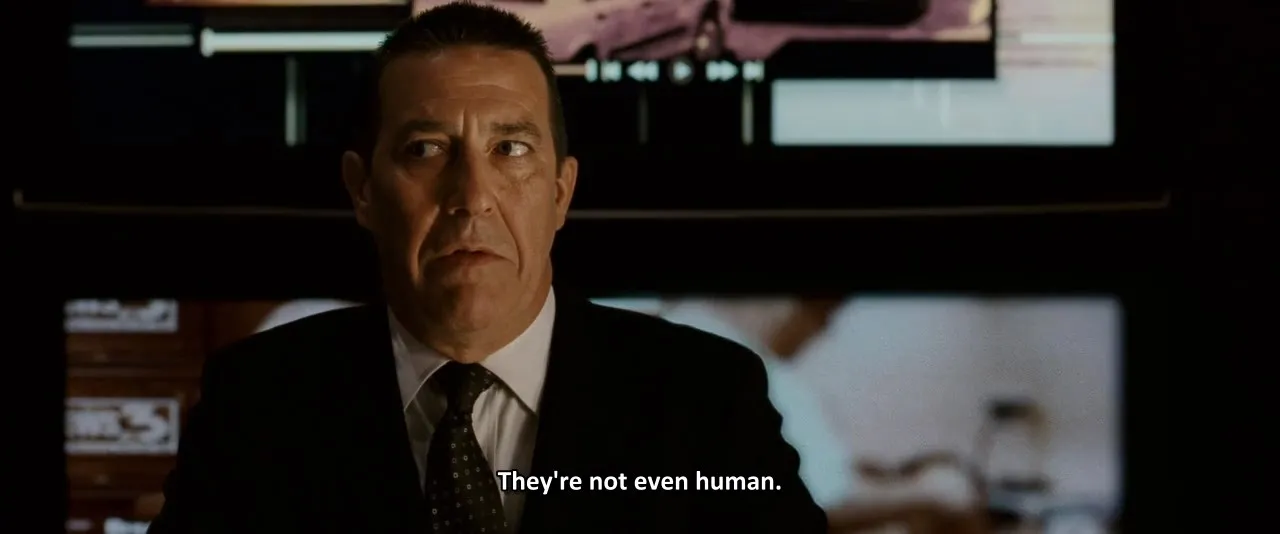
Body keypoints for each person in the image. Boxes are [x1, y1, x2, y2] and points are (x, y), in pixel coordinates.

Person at [147, 3, 826, 534]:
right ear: (362, 190)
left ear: (560, 191)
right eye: (425, 149)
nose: (471, 197)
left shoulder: (705, 399)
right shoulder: (259, 404)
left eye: (511, 149)